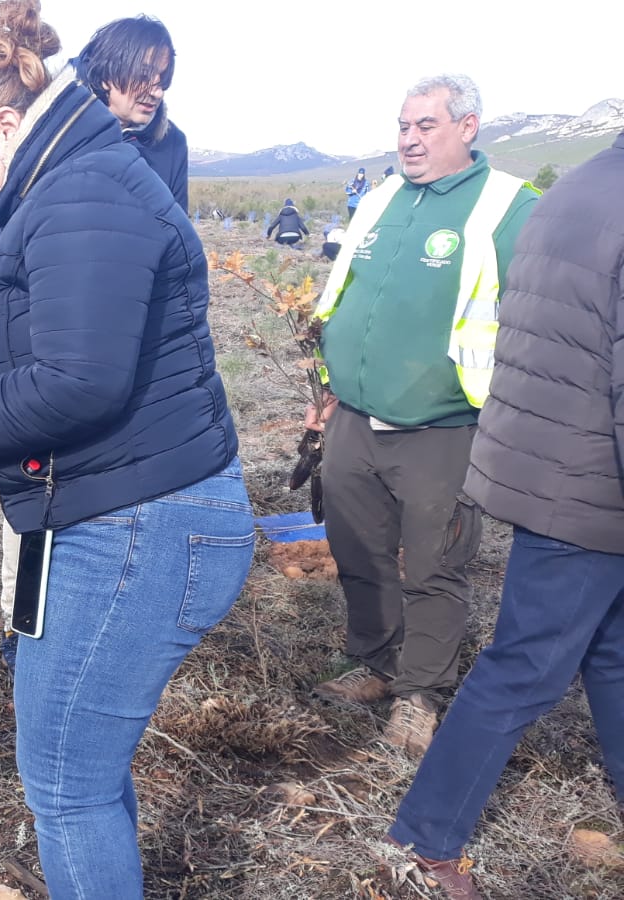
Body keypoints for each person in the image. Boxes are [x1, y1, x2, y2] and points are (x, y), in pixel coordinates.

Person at [0, 2, 253, 895]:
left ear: (6, 124)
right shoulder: (61, 187)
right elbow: (49, 381)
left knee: (66, 790)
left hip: (136, 529)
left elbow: (80, 384)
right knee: (82, 775)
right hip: (106, 514)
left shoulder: (84, 192)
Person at [380, 128, 624, 900]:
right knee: (524, 664)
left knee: (613, 652)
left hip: (556, 459)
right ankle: (426, 836)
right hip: (590, 479)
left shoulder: (579, 186)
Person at [307, 74, 540, 757]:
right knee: (356, 547)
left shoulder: (509, 208)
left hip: (443, 424)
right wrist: (326, 384)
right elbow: (345, 293)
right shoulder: (381, 198)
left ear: (467, 128)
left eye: (426, 126)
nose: (409, 138)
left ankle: (420, 694)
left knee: (435, 564)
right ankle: (377, 663)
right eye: (403, 126)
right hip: (353, 413)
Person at [0, 11, 197, 672]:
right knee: (37, 475)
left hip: (129, 343)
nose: (154, 89)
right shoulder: (54, 135)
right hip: (47, 334)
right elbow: (4, 232)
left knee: (106, 483)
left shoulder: (169, 146)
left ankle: (97, 615)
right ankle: (23, 624)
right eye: (142, 74)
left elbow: (174, 238)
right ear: (104, 70)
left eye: (163, 78)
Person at [72, 14, 189, 212]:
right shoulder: (59, 128)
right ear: (105, 75)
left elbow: (177, 235)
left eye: (162, 79)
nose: (157, 92)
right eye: (143, 75)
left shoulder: (172, 143)